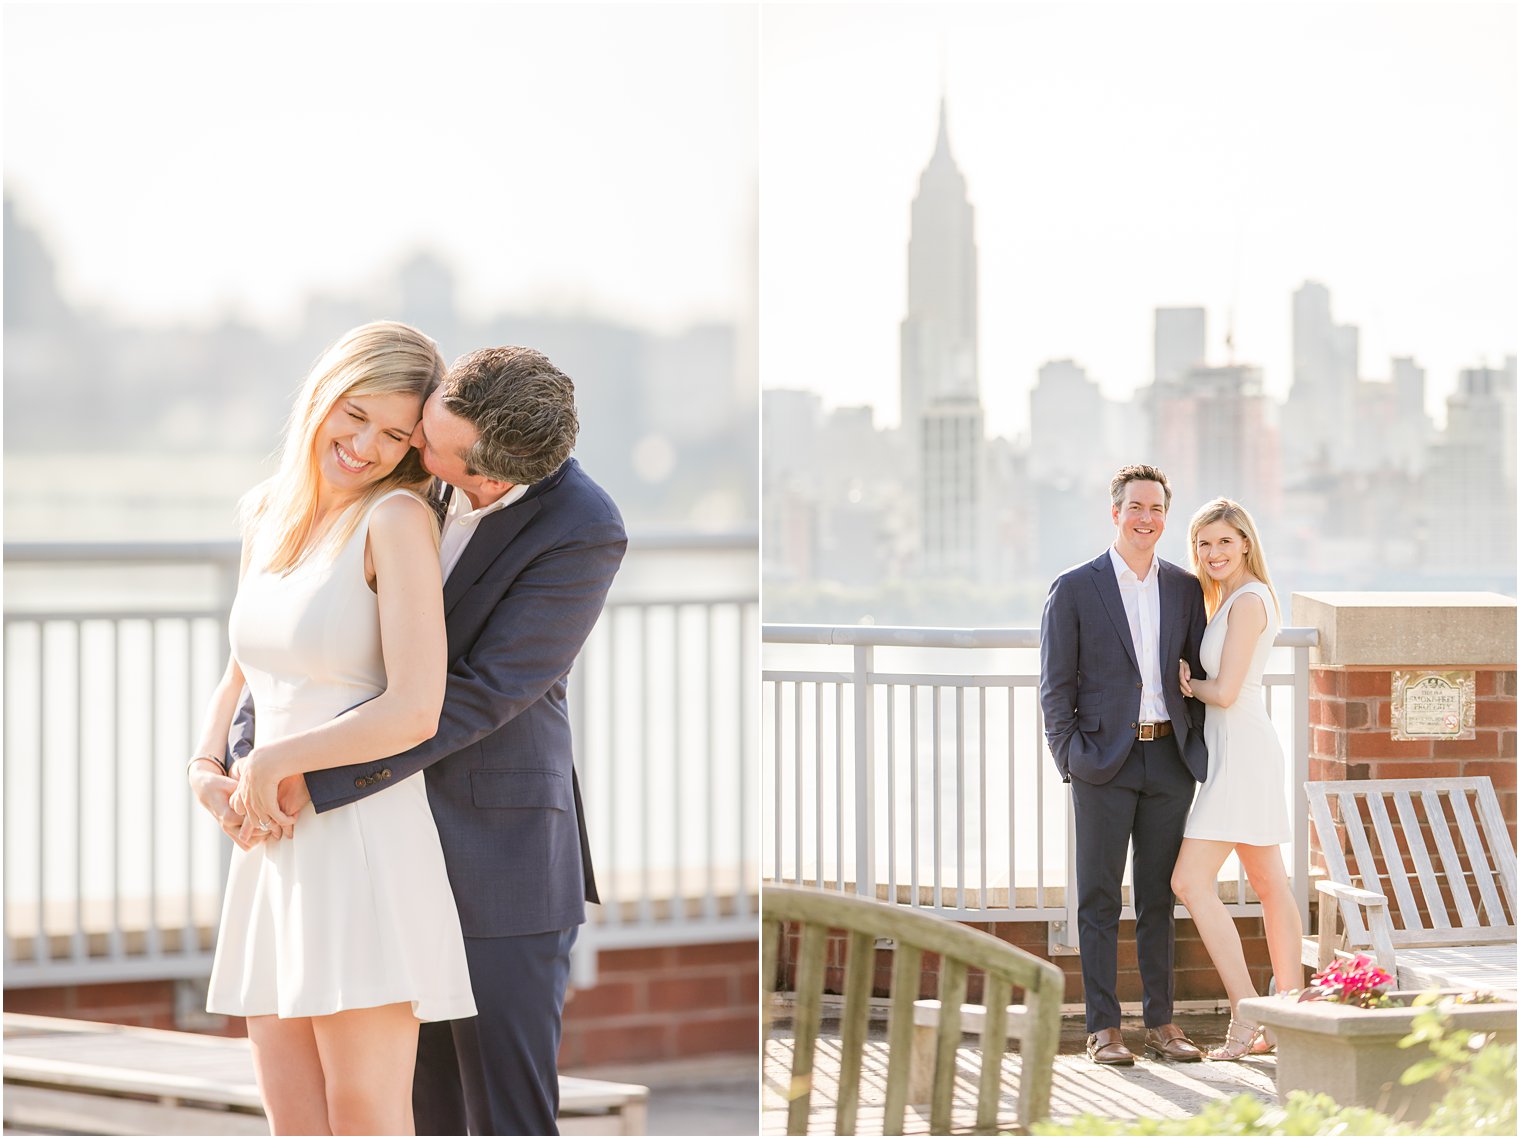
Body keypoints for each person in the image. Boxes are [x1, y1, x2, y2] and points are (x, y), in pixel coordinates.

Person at [242, 345, 627, 1136]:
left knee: (504, 1114)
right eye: (425, 440)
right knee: (418, 1109)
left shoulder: (584, 529)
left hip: (498, 855)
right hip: (378, 854)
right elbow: (310, 641)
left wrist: (316, 780)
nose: (420, 460)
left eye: (445, 461)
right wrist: (238, 754)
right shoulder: (413, 471)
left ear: (498, 473)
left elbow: (482, 695)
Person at [187, 320, 475, 1135]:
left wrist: (278, 760)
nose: (366, 445)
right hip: (273, 844)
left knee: (364, 1113)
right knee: (294, 1117)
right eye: (355, 414)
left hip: (361, 836)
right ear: (324, 394)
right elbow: (242, 673)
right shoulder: (267, 514)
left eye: (393, 432)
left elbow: (416, 705)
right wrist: (206, 769)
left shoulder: (397, 519)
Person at [1039, 464, 1209, 1067]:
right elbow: (1055, 687)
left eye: (1157, 509)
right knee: (1100, 899)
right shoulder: (1076, 587)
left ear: (1166, 516)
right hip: (1102, 764)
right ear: (1115, 513)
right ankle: (1104, 1029)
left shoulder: (1186, 589)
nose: (1146, 518)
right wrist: (1071, 758)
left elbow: (1198, 672)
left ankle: (1163, 1025)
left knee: (1160, 897)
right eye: (1135, 507)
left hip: (1168, 760)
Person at [1171, 498, 1302, 1060]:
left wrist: (1185, 683)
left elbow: (1223, 692)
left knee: (1189, 882)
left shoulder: (1249, 601)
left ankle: (1248, 1015)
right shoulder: (1227, 599)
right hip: (1235, 753)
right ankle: (1291, 1019)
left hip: (1243, 754)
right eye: (1203, 544)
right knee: (1272, 887)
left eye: (1224, 541)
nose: (1214, 553)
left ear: (1246, 542)